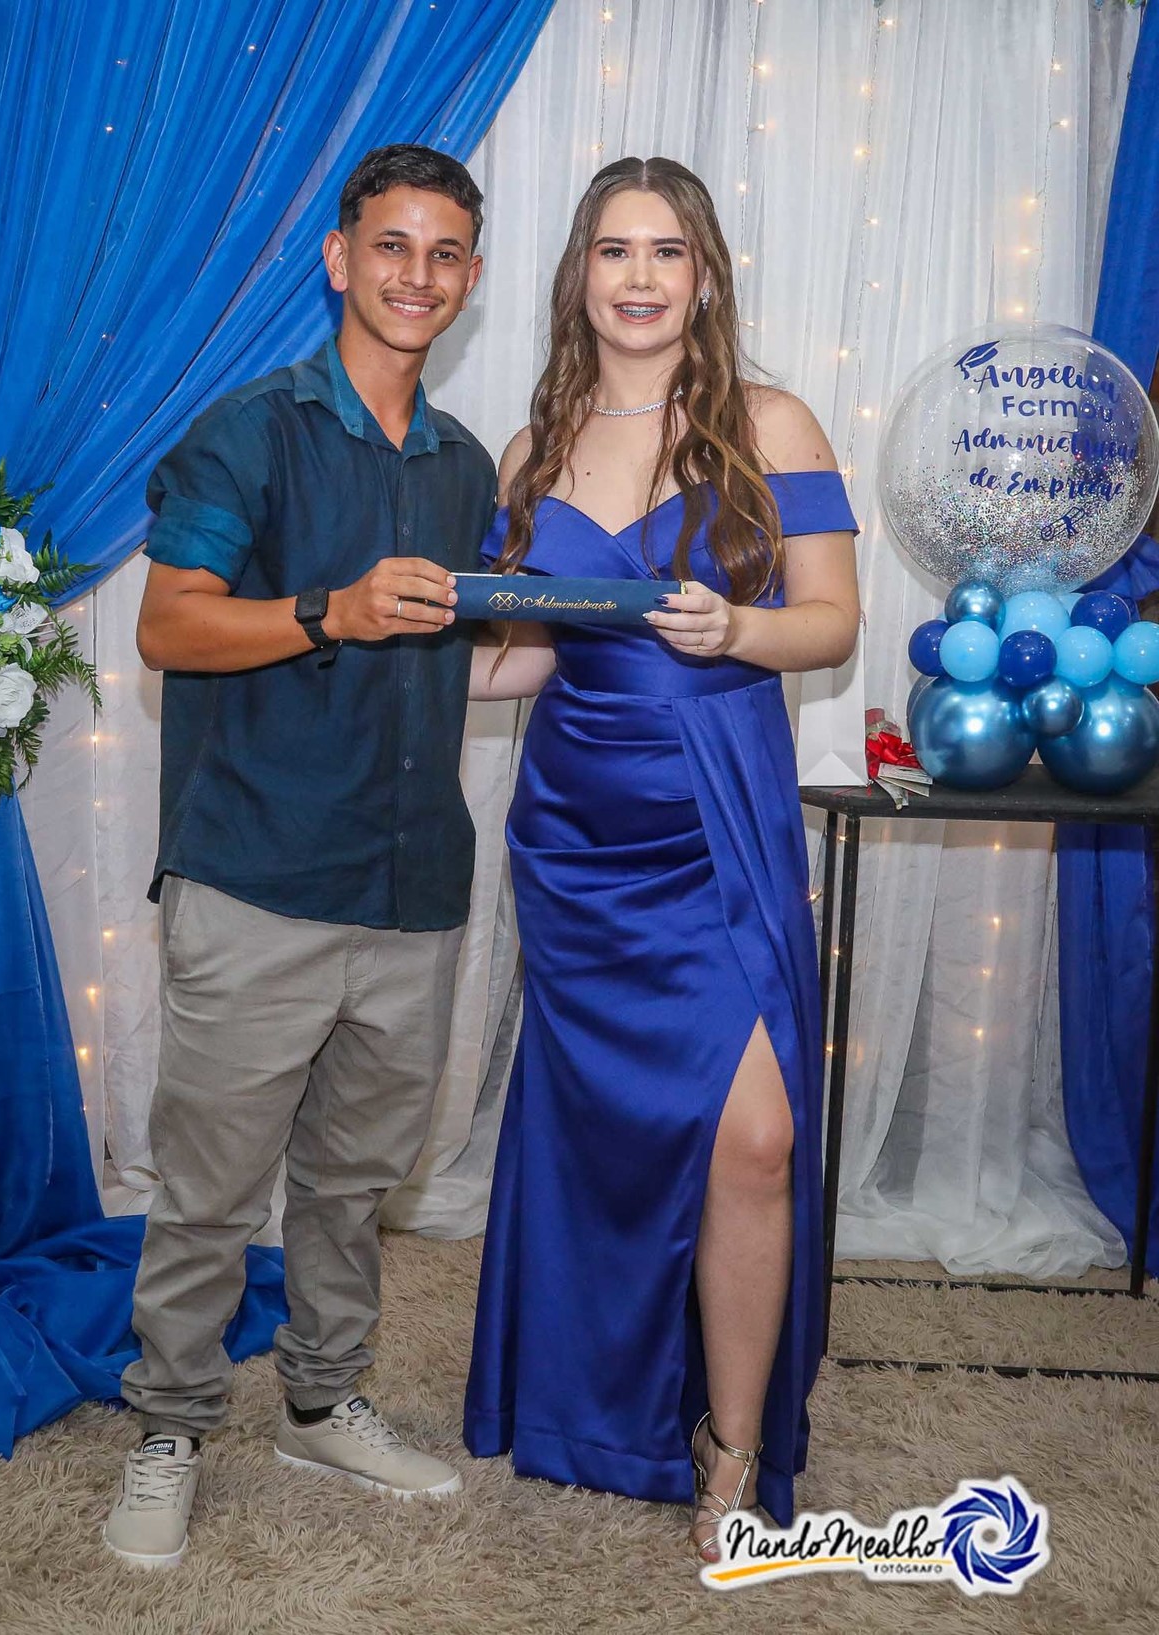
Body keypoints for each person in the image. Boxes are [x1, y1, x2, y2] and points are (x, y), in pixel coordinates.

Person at [462, 156, 860, 1564]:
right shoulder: (533, 447)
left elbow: (833, 623)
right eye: (614, 250)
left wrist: (735, 630)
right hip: (580, 834)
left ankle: (732, 1446)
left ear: (705, 275)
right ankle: (601, 1408)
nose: (639, 277)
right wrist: (397, 659)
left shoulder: (771, 423)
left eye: (667, 251)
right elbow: (526, 658)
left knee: (756, 1139)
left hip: (719, 813)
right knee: (610, 1134)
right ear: (580, 273)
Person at [104, 144, 496, 1568]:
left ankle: (324, 1402)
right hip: (256, 873)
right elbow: (167, 627)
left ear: (470, 277)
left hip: (412, 884)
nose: (416, 276)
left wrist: (631, 638)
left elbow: (464, 663)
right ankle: (169, 1425)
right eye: (392, 246)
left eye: (444, 254)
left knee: (353, 1182)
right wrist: (331, 609)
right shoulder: (248, 430)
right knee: (210, 1189)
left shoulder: (466, 466)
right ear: (340, 259)